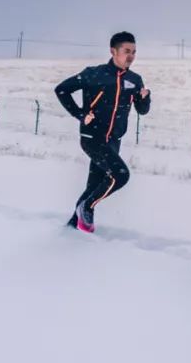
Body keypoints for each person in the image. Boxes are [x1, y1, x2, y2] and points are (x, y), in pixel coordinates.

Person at [54, 32, 150, 232]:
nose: (131, 56)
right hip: (93, 137)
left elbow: (142, 110)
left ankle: (73, 228)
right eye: (126, 51)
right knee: (120, 175)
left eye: (134, 52)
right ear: (113, 51)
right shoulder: (94, 74)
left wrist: (144, 98)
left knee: (94, 186)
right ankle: (86, 208)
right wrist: (80, 114)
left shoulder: (134, 79)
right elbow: (61, 90)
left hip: (114, 139)